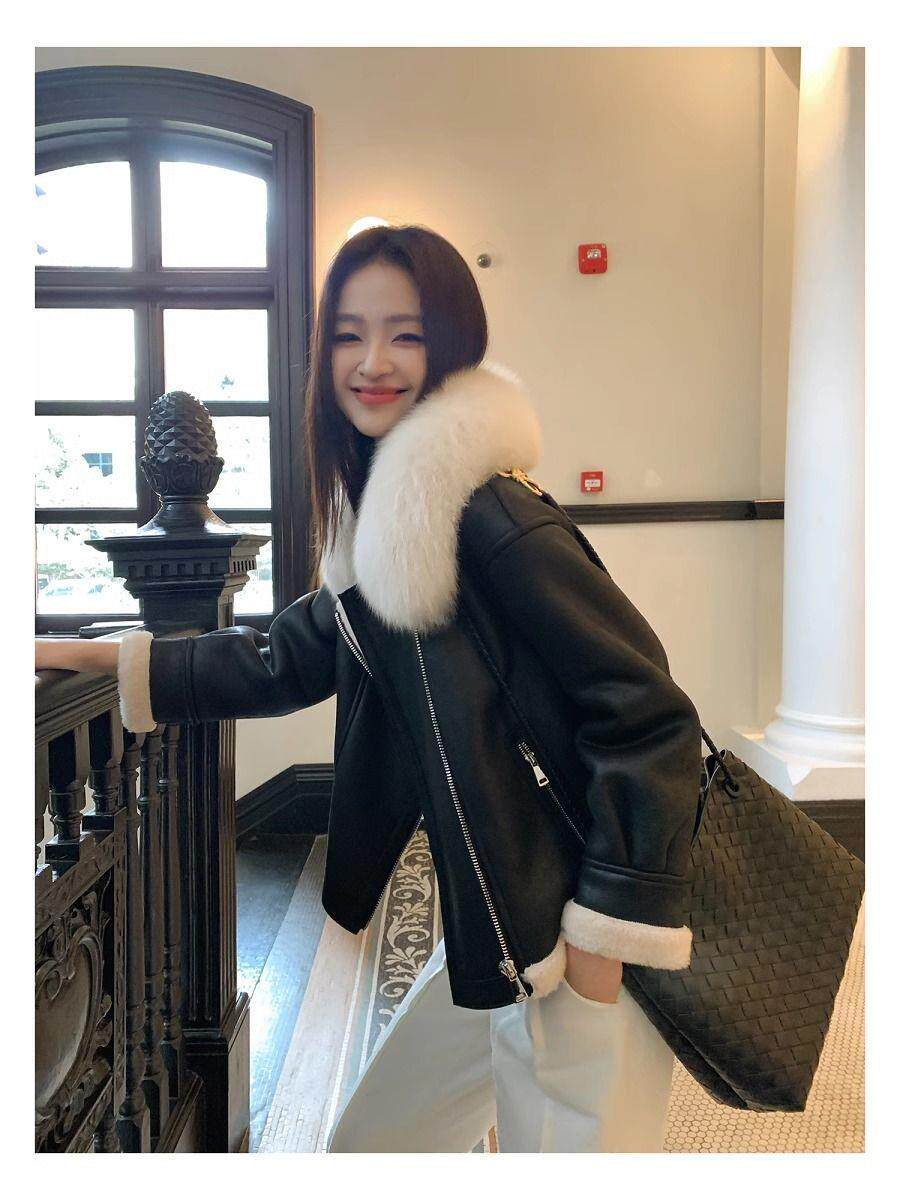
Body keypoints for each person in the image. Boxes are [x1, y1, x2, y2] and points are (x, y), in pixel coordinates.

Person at [36, 224, 702, 1153]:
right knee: (374, 1146)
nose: (373, 361)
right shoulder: (392, 527)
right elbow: (286, 658)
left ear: (451, 343)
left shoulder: (491, 514)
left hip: (579, 933)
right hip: (500, 912)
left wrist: (607, 928)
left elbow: (652, 716)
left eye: (405, 334)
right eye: (348, 335)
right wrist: (102, 657)